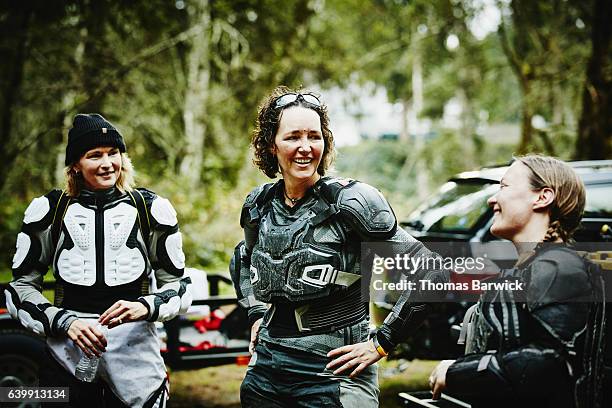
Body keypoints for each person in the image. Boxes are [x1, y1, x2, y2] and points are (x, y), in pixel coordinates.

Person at [231, 86, 450, 407]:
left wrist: (381, 342)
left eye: (314, 136)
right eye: (293, 137)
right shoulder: (259, 204)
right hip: (268, 369)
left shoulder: (353, 203)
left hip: (334, 372)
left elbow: (432, 273)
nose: (305, 147)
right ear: (271, 145)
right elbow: (244, 259)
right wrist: (255, 314)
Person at [4, 114, 192, 407]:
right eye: (94, 155)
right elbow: (19, 289)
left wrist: (144, 306)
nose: (107, 163)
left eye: (113, 153)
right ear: (75, 165)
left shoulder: (152, 209)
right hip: (65, 354)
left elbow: (179, 287)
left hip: (136, 357)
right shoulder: (49, 210)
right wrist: (65, 322)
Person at [429, 155, 606, 408]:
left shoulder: (559, 267)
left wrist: (457, 372)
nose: (492, 199)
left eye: (504, 187)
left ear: (542, 197)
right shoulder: (533, 266)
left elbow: (549, 364)